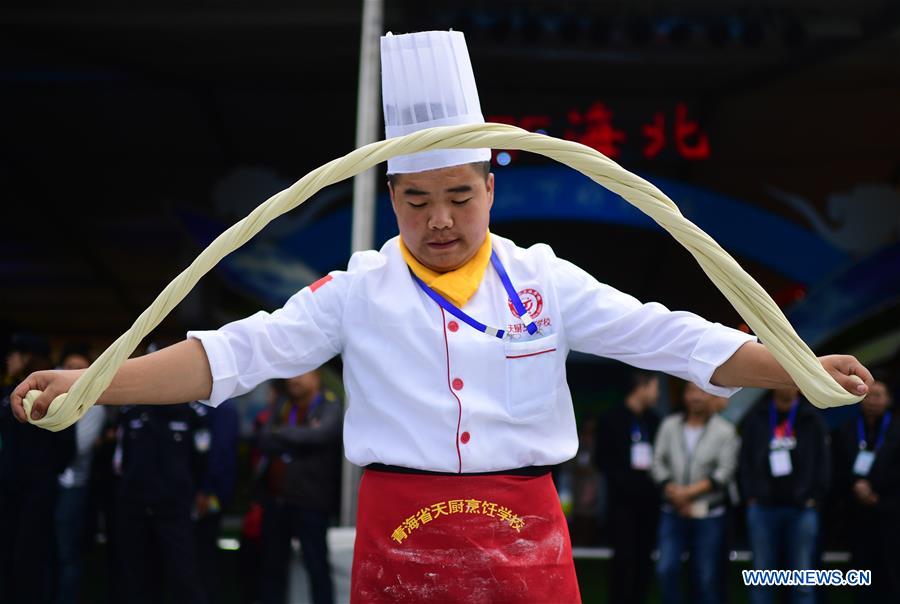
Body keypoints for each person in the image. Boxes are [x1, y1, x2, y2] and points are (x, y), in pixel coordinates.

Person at [13, 30, 873, 603]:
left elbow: (677, 337)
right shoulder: (356, 289)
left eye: (460, 196)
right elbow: (231, 356)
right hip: (401, 535)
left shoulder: (545, 279)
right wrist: (98, 384)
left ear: (491, 186)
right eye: (417, 200)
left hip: (527, 532)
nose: (440, 220)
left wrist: (801, 370)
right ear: (391, 196)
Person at [1, 333, 76, 604]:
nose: (9, 359)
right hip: (10, 489)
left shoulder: (51, 395)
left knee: (31, 555)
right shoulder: (7, 393)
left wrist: (43, 474)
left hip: (37, 489)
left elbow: (66, 445)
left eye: (15, 354)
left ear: (27, 358)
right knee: (8, 554)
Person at [113, 395, 210, 604]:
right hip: (135, 506)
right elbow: (120, 460)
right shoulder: (130, 410)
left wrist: (202, 491)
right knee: (136, 578)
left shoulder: (193, 412)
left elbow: (203, 458)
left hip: (175, 508)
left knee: (183, 576)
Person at [739, 387, 830, 604]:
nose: (786, 385)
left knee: (803, 581)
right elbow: (744, 460)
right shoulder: (757, 417)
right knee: (762, 579)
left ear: (799, 384)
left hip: (802, 509)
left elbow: (824, 462)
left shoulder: (811, 419)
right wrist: (750, 495)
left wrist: (814, 497)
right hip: (762, 508)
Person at [258, 371, 342, 604]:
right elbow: (264, 438)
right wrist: (301, 438)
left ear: (316, 376)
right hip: (277, 501)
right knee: (272, 568)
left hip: (311, 502)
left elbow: (322, 435)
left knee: (317, 568)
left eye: (301, 374)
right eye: (291, 375)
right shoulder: (283, 404)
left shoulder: (329, 405)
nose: (294, 380)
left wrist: (281, 434)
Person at [652, 381, 738, 604]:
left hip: (708, 514)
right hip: (672, 510)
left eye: (702, 391)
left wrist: (688, 494)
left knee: (706, 576)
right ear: (684, 395)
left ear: (712, 396)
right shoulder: (669, 425)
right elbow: (657, 462)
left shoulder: (725, 431)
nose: (696, 396)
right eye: (691, 390)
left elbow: (724, 473)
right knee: (666, 569)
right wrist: (673, 490)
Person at [832, 378, 900, 602]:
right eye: (869, 395)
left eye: (878, 395)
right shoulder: (847, 429)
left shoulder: (896, 430)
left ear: (889, 399)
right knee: (861, 576)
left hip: (891, 515)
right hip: (856, 515)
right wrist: (855, 487)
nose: (872, 401)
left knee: (891, 574)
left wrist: (876, 495)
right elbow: (837, 467)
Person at [596, 371, 661, 604]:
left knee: (644, 559)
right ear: (642, 386)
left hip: (649, 503)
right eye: (655, 387)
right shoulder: (611, 419)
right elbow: (602, 460)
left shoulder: (654, 421)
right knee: (622, 560)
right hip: (621, 503)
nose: (657, 394)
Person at [54, 346, 106, 604]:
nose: (73, 374)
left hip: (73, 486)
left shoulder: (95, 406)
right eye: (68, 367)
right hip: (46, 485)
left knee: (68, 554)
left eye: (80, 368)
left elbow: (77, 448)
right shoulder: (48, 397)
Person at [193, 397, 239, 602]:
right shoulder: (194, 404)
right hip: (192, 493)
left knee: (204, 556)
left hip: (211, 496)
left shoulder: (224, 407)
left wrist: (208, 491)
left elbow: (222, 453)